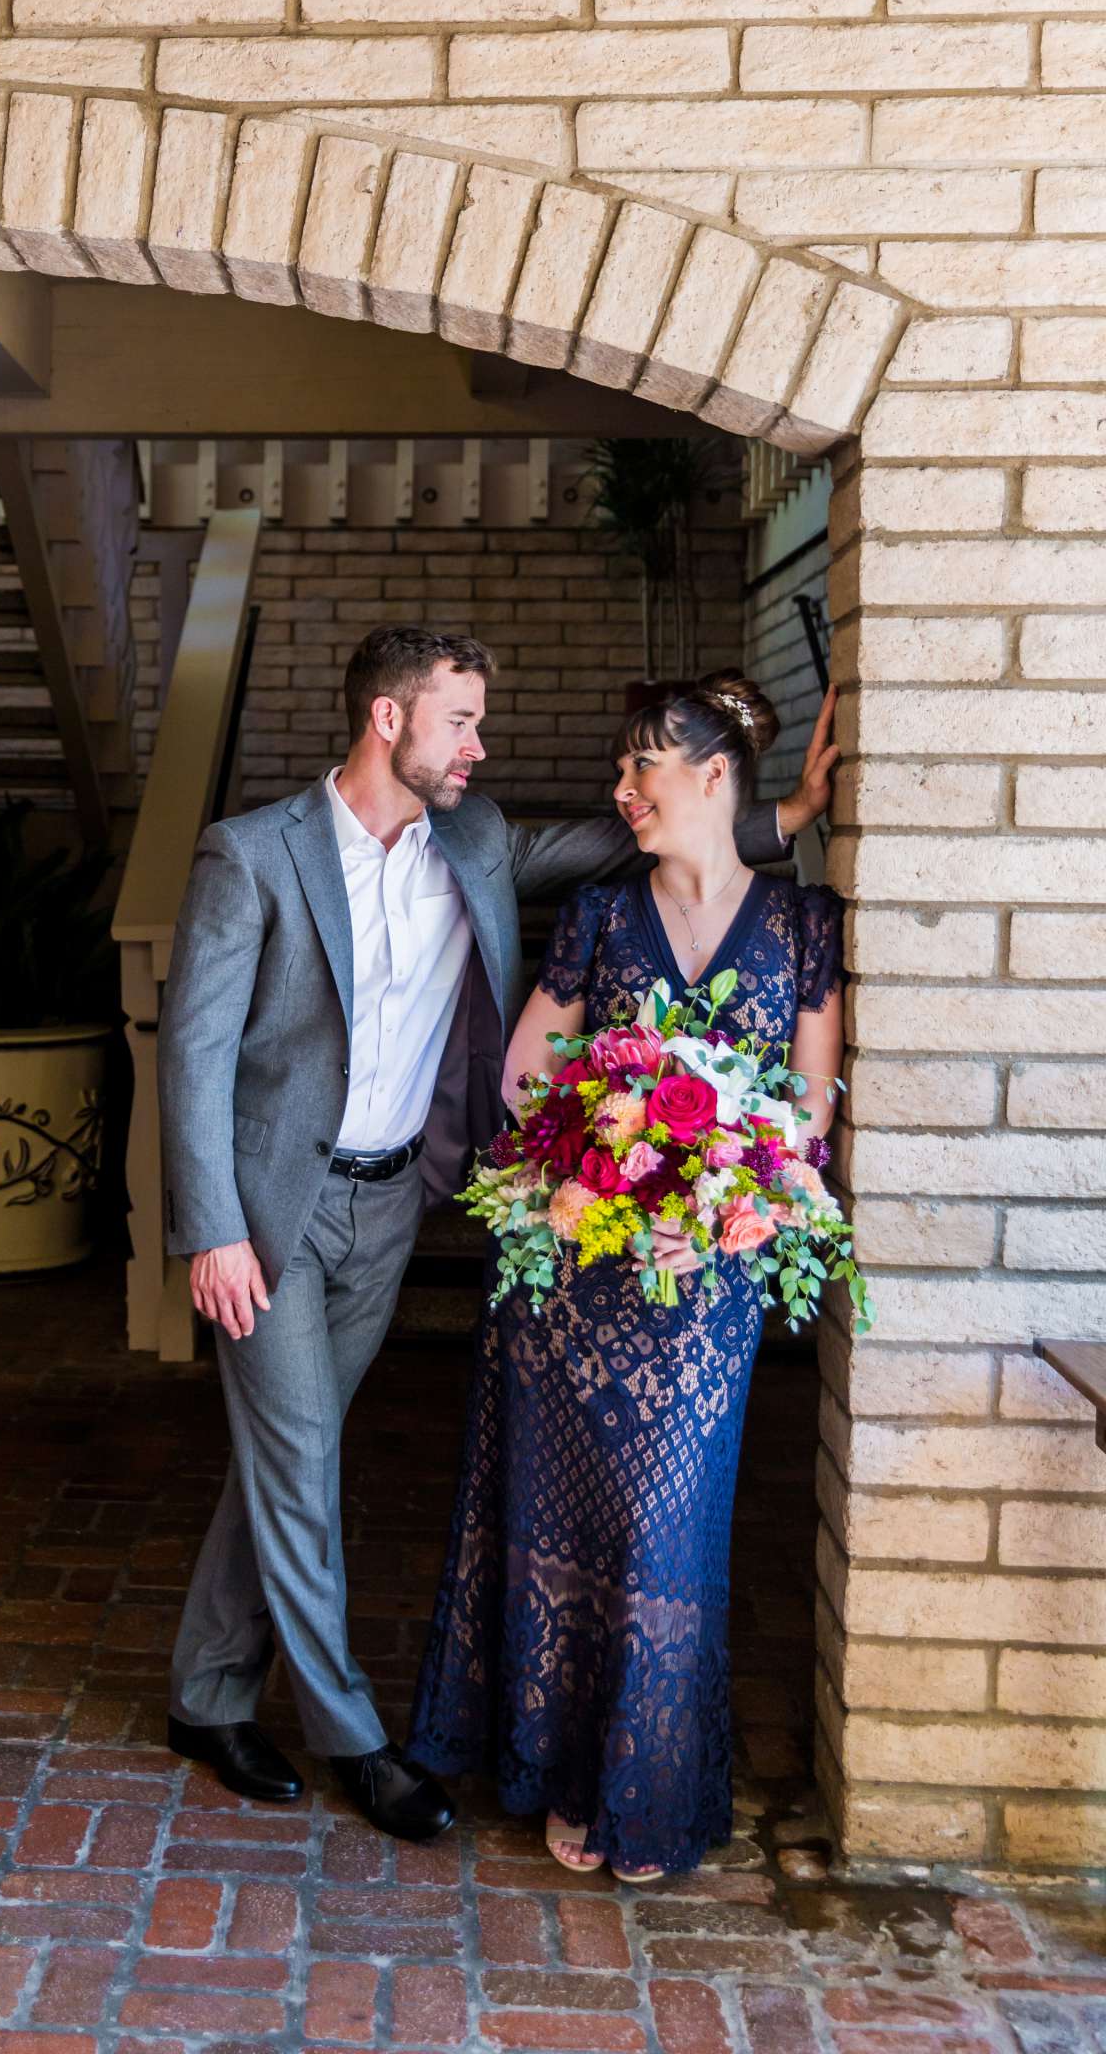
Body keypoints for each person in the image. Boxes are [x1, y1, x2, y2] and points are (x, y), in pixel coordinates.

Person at [160, 627, 838, 1843]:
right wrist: (209, 1230)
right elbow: (196, 1057)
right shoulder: (250, 855)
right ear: (387, 721)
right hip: (268, 1218)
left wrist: (783, 807)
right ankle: (354, 1739)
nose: (482, 745)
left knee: (283, 1450)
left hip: (389, 1202)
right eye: (461, 721)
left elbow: (650, 836)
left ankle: (204, 1694)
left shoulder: (472, 839)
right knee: (303, 1452)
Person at [406, 672, 843, 1881]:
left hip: (706, 1291)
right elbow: (525, 1075)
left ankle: (635, 1789)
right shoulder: (601, 915)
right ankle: (551, 1771)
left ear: (712, 778)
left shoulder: (806, 928)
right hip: (571, 1283)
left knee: (663, 1532)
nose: (619, 792)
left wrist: (735, 1208)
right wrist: (601, 1150)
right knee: (556, 1518)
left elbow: (805, 1115)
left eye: (639, 770)